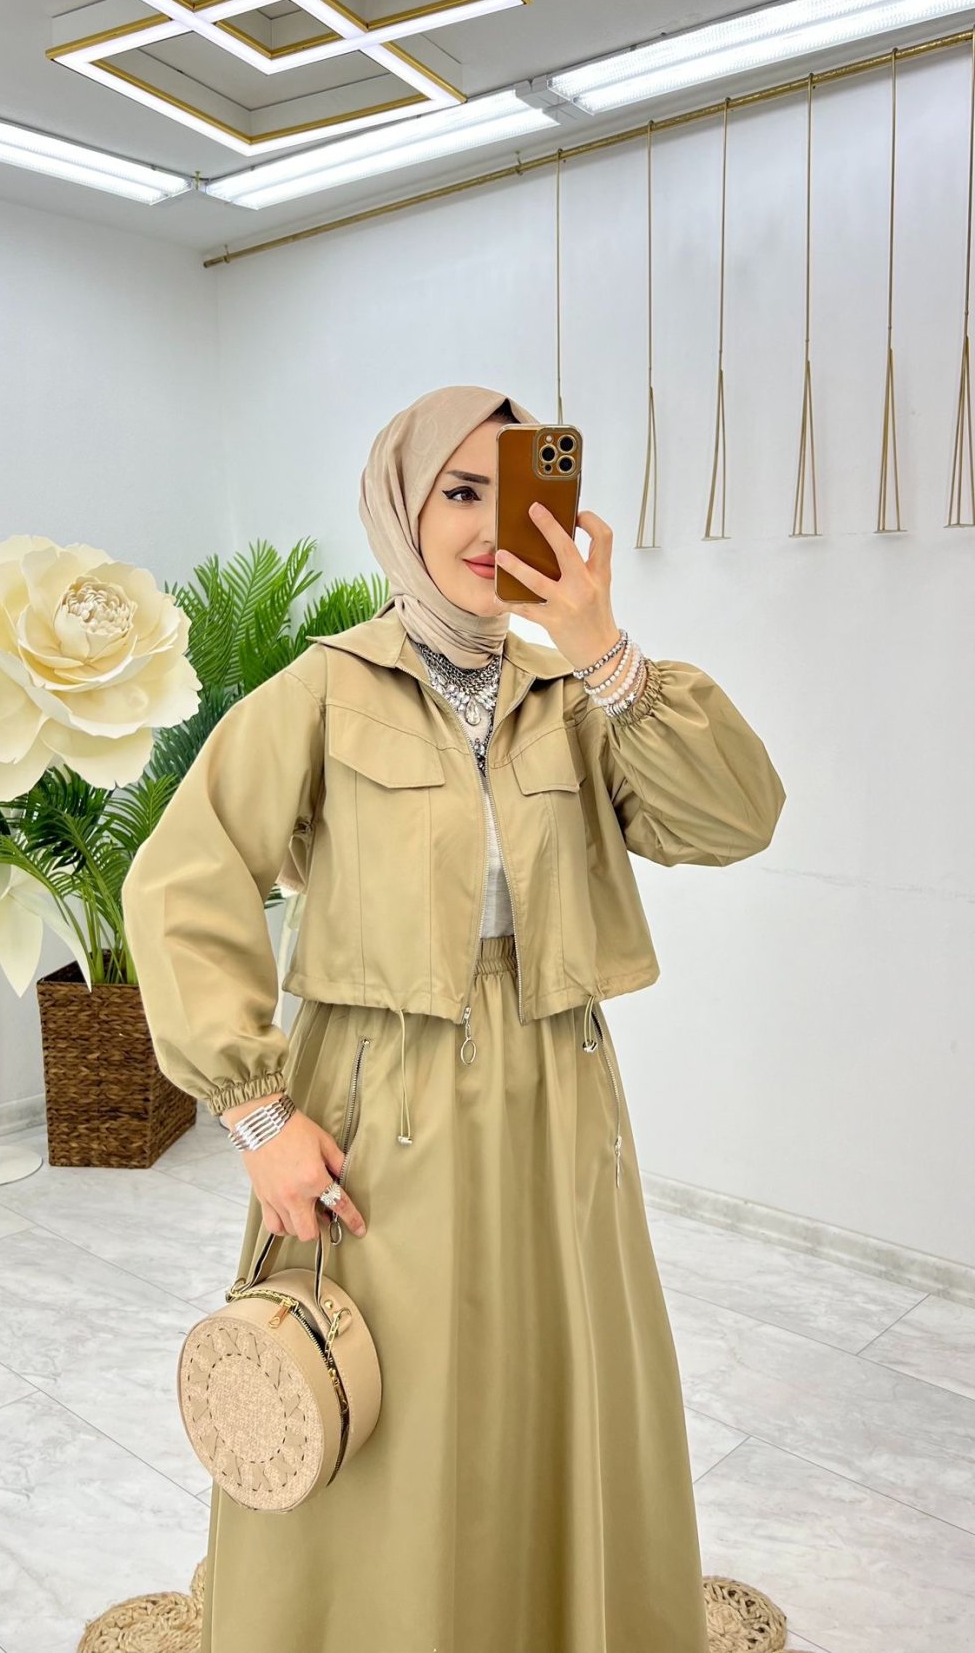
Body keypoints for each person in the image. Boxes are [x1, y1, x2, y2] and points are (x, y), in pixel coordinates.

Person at [121, 384, 786, 1653]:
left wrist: (603, 646)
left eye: (517, 490)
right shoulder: (325, 690)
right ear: (401, 506)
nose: (490, 527)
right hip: (381, 1108)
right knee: (392, 1396)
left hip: (559, 1099)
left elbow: (734, 817)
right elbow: (182, 878)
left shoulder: (574, 695)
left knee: (553, 1378)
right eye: (460, 491)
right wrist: (256, 1112)